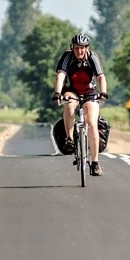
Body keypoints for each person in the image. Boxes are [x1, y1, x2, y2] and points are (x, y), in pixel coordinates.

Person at [52, 32, 110, 176]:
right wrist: (58, 93)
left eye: (82, 48)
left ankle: (95, 163)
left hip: (90, 92)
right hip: (72, 90)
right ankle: (70, 139)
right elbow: (61, 75)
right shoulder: (67, 56)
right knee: (70, 104)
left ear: (87, 48)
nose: (79, 51)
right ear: (72, 48)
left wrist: (103, 92)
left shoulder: (92, 57)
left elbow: (101, 77)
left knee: (91, 123)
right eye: (77, 48)